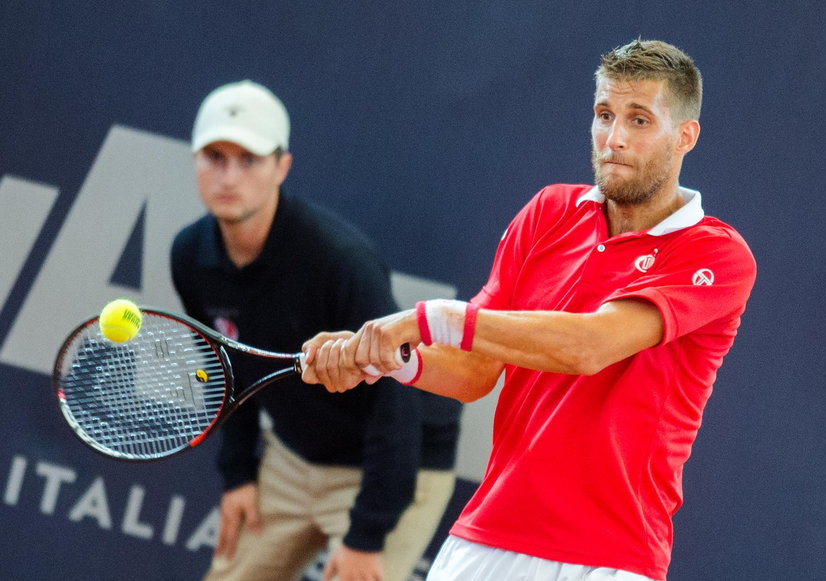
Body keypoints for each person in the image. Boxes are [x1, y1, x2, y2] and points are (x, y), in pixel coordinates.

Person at [301, 39, 757, 581]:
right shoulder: (549, 212)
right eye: (604, 115)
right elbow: (473, 372)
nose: (614, 139)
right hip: (485, 538)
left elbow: (588, 346)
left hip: (611, 557)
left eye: (639, 120)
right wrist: (387, 358)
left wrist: (421, 320)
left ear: (686, 136)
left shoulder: (717, 254)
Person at [170, 80, 461, 581]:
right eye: (214, 157)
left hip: (392, 462)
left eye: (249, 160)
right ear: (194, 160)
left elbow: (398, 402)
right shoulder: (190, 256)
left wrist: (366, 536)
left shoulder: (339, 261)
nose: (228, 176)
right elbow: (224, 371)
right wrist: (239, 473)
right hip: (294, 457)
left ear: (281, 167)